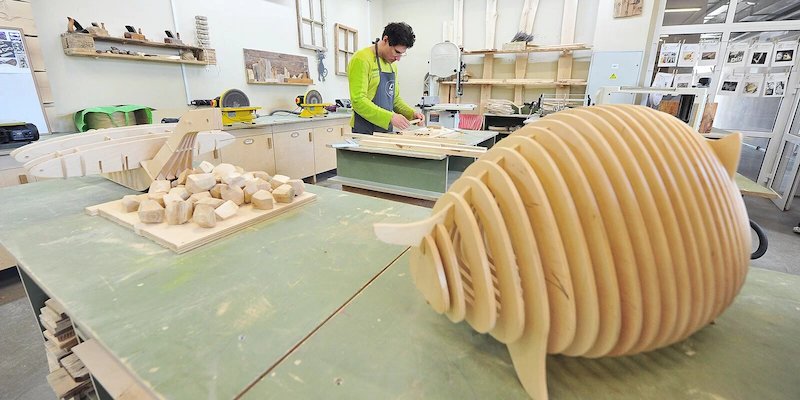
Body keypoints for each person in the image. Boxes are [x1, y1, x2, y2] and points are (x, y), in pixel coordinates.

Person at [348, 22, 424, 134]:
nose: (398, 59)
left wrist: (412, 113)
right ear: (385, 40)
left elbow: (395, 100)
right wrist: (390, 117)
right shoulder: (361, 59)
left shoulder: (392, 65)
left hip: (385, 131)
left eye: (401, 54)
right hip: (364, 131)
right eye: (397, 52)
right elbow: (358, 101)